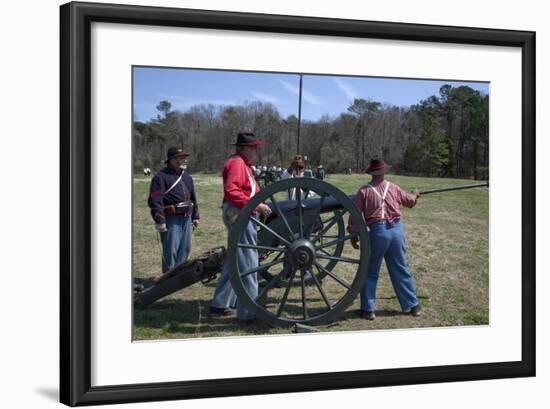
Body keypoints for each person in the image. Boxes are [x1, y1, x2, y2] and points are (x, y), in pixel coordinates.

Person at [347, 158, 421, 320]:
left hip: (378, 231)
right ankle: (413, 305)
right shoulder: (393, 187)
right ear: (383, 172)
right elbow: (409, 201)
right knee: (401, 268)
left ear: (371, 173)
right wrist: (415, 195)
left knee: (370, 270)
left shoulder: (364, 192)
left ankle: (368, 309)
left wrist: (353, 234)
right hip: (396, 231)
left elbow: (354, 215)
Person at [210, 132, 272, 323]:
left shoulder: (244, 165)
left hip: (242, 211)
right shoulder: (237, 163)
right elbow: (232, 191)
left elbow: (249, 190)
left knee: (236, 260)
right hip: (238, 213)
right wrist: (257, 205)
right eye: (254, 148)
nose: (256, 151)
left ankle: (220, 303)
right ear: (245, 148)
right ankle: (248, 312)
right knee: (248, 263)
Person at [148, 147, 200, 274]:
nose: (185, 160)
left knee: (185, 248)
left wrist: (195, 216)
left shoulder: (187, 177)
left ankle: (178, 276)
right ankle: (168, 277)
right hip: (172, 217)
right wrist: (160, 220)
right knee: (171, 250)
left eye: (185, 157)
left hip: (187, 217)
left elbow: (192, 198)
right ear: (171, 160)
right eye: (181, 157)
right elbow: (155, 200)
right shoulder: (160, 177)